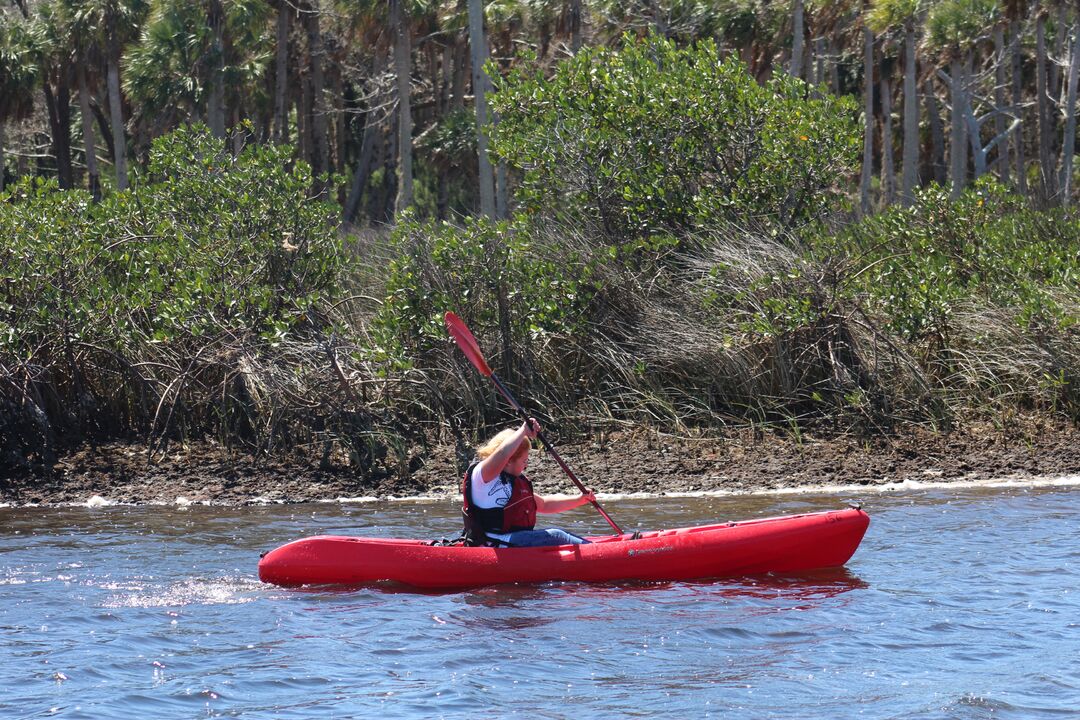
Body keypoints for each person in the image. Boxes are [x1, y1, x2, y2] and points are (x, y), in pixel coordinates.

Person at [462, 418, 595, 547]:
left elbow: (544, 504)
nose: (526, 466)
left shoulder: (514, 482)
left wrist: (580, 499)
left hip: (513, 541)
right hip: (493, 543)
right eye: (524, 461)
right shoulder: (483, 477)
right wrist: (523, 431)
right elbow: (503, 453)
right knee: (557, 535)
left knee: (560, 535)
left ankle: (593, 549)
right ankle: (595, 554)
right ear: (508, 461)